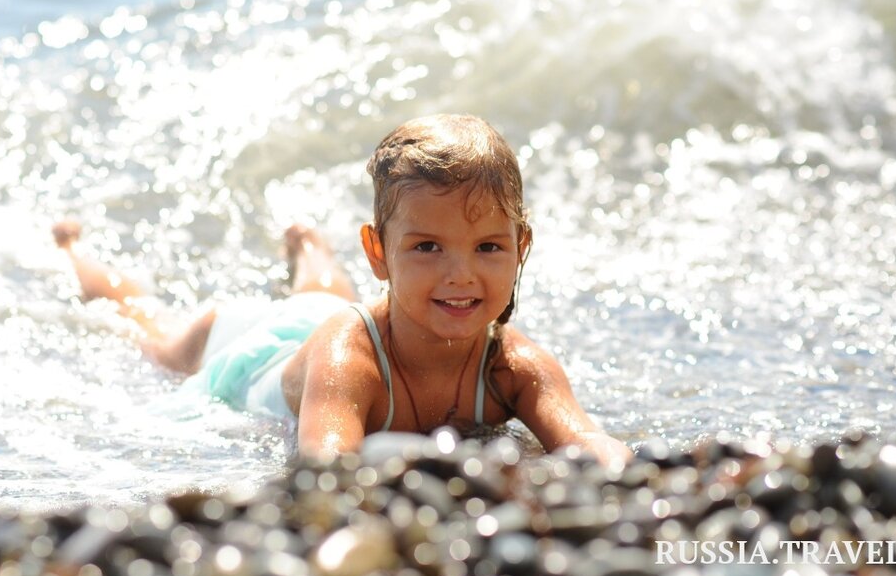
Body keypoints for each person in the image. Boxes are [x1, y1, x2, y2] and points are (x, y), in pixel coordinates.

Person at [55, 114, 631, 466]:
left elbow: (586, 440)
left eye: (487, 247)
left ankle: (306, 243)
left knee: (324, 293)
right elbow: (326, 467)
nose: (460, 275)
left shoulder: (516, 365)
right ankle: (73, 250)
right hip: (251, 352)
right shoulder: (348, 360)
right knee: (148, 330)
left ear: (521, 247)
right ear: (379, 253)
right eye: (427, 247)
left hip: (328, 311)